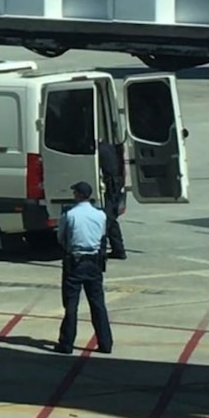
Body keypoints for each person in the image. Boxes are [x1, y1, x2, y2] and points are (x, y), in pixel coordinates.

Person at [54, 181, 113, 354]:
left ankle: (66, 344)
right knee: (98, 304)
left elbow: (61, 237)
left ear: (78, 195)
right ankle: (105, 343)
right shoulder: (100, 215)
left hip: (75, 261)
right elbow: (102, 235)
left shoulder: (70, 215)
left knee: (71, 305)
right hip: (94, 262)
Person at [98, 139, 127, 259]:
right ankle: (118, 249)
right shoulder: (111, 147)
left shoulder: (98, 150)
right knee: (111, 219)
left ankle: (103, 251)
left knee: (106, 219)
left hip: (110, 186)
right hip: (117, 184)